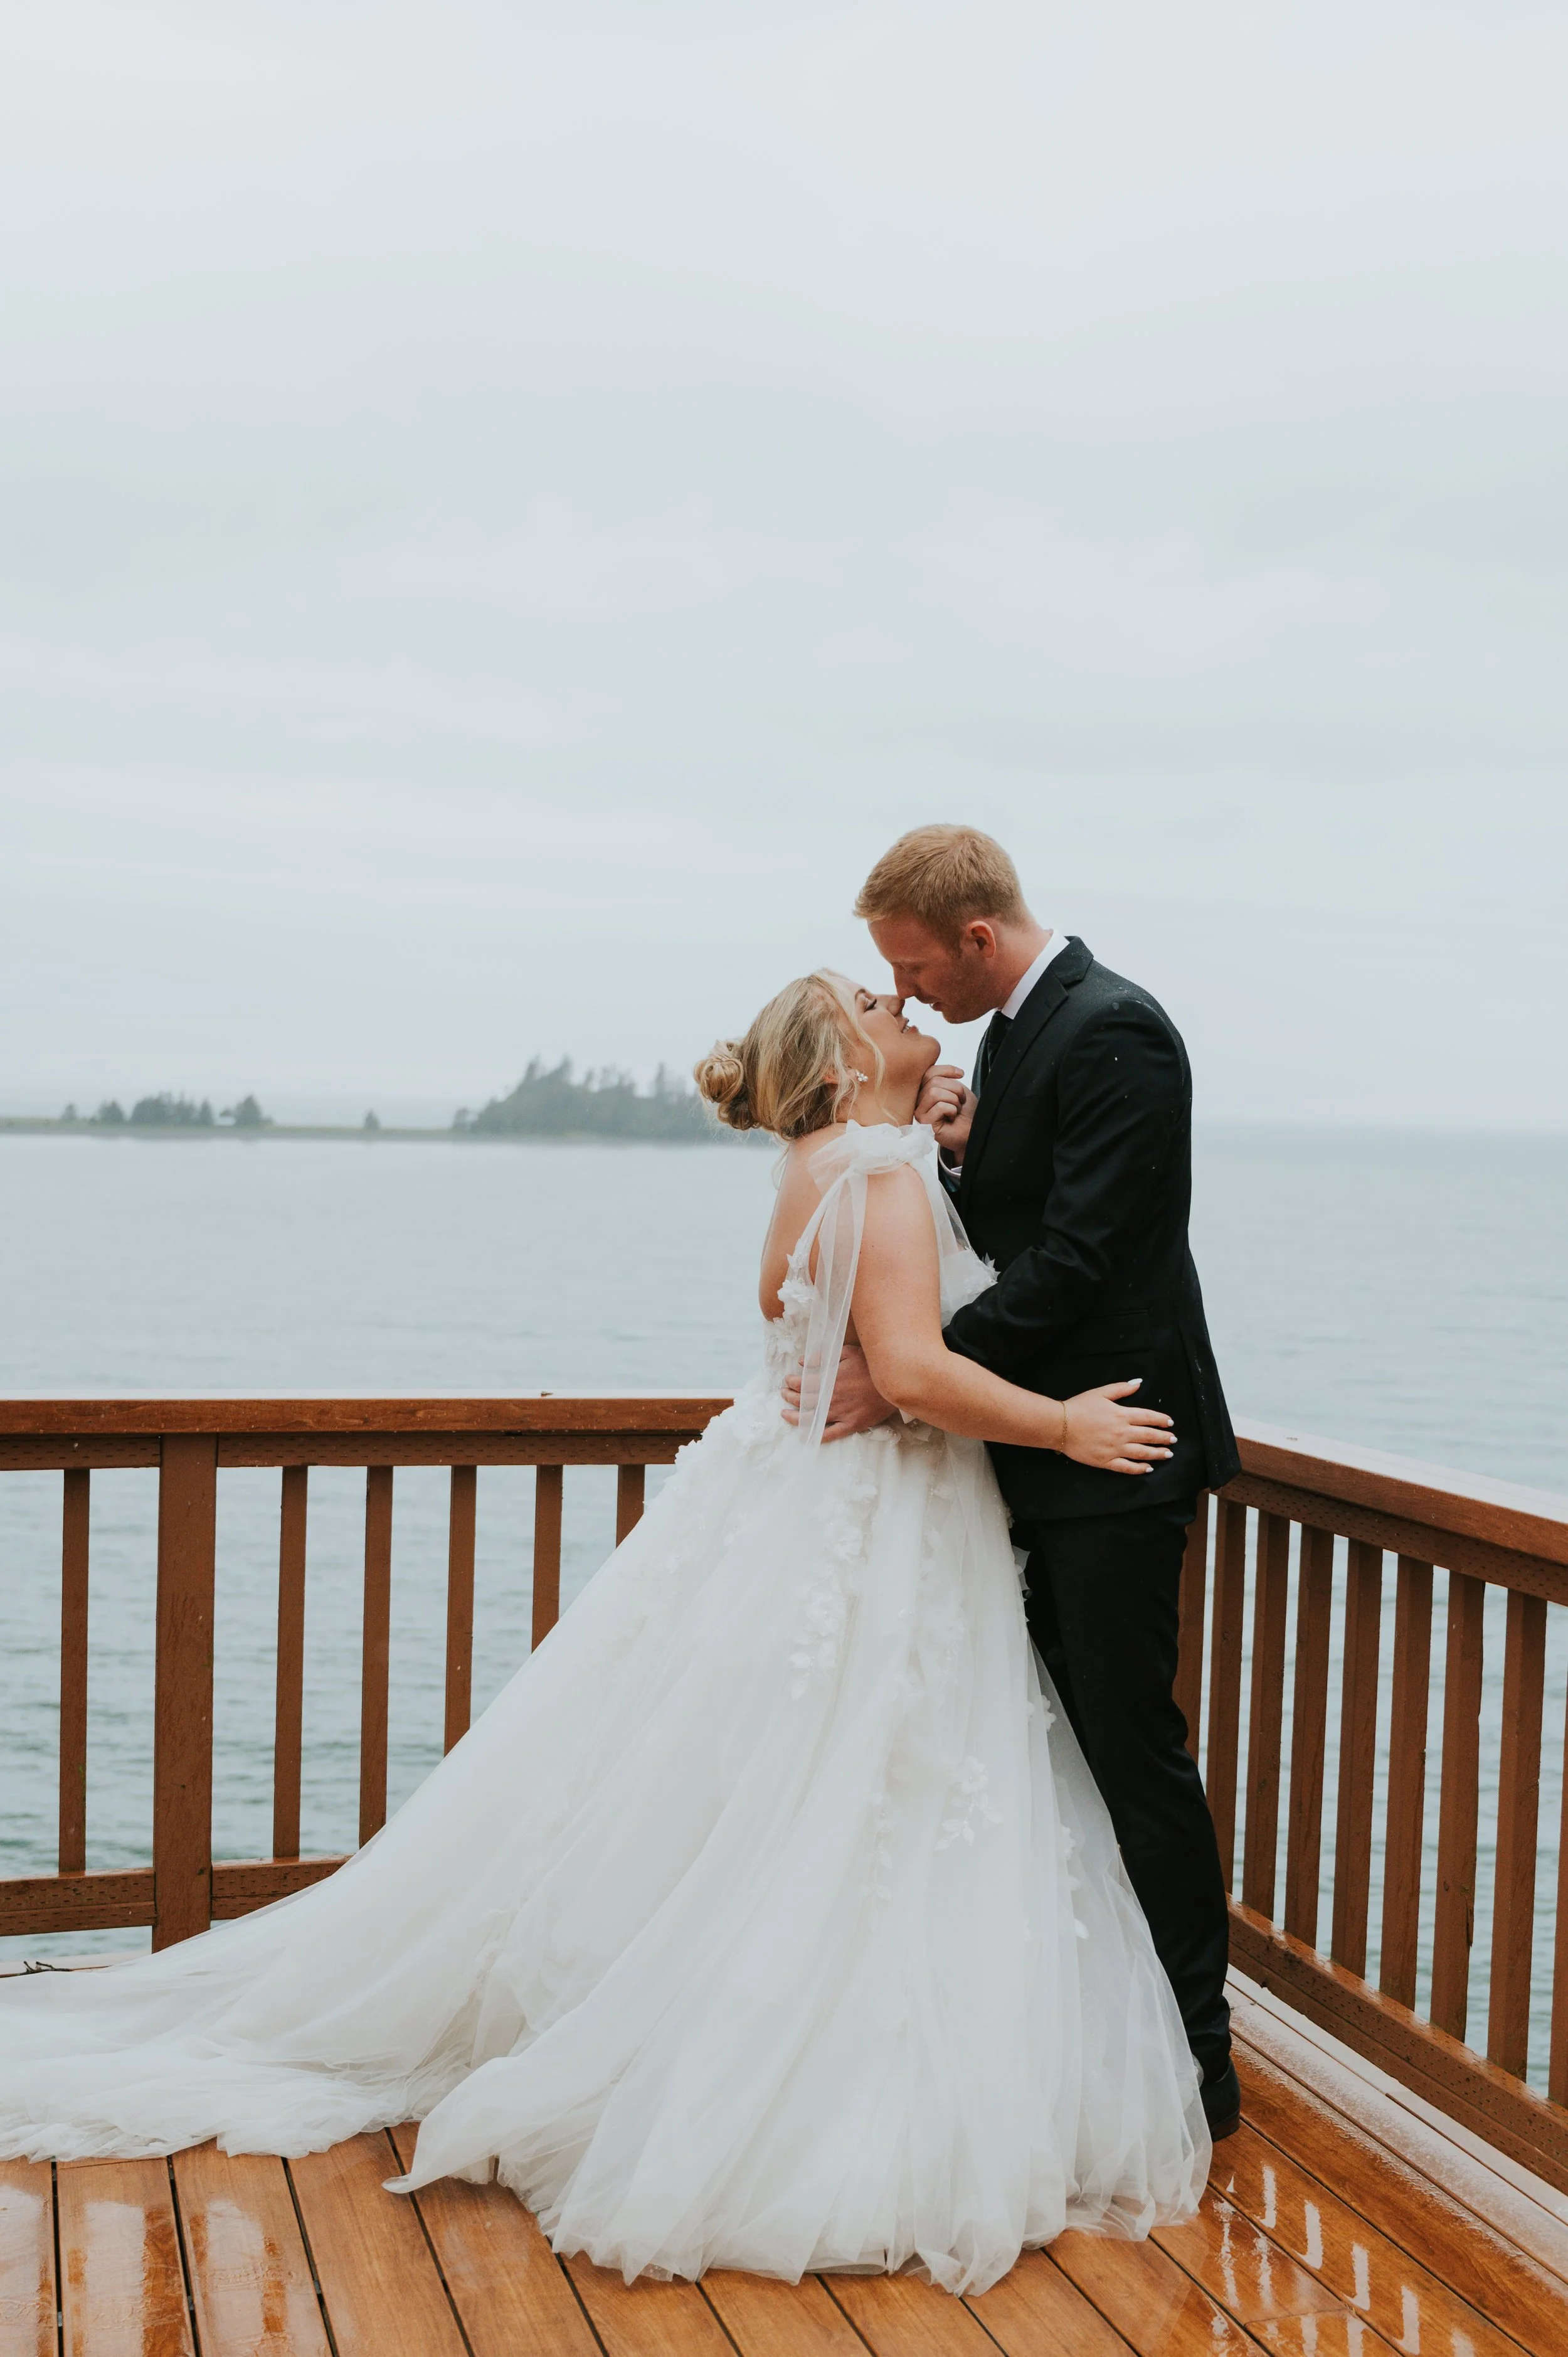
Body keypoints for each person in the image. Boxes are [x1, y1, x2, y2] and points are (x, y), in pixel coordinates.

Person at [0, 970, 1209, 2293]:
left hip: (803, 1501)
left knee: (784, 1787)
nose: (900, 1001)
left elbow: (832, 1328)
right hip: (880, 1519)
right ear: (840, 1058)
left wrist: (945, 1144)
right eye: (874, 1002)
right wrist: (1065, 1425)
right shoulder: (873, 1170)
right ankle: (796, 2081)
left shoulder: (825, 1159)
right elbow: (911, 1375)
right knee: (861, 1787)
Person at [787, 825, 1242, 2141]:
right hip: (1030, 1439)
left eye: (917, 966)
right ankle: (1081, 2037)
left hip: (1110, 1448)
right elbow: (1023, 1230)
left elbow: (1088, 1261)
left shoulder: (1115, 1031)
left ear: (977, 937)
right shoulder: (1012, 1038)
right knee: (1037, 1748)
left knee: (1123, 1746)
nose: (911, 992)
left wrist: (900, 1366)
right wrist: (953, 1165)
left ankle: (1196, 2066)